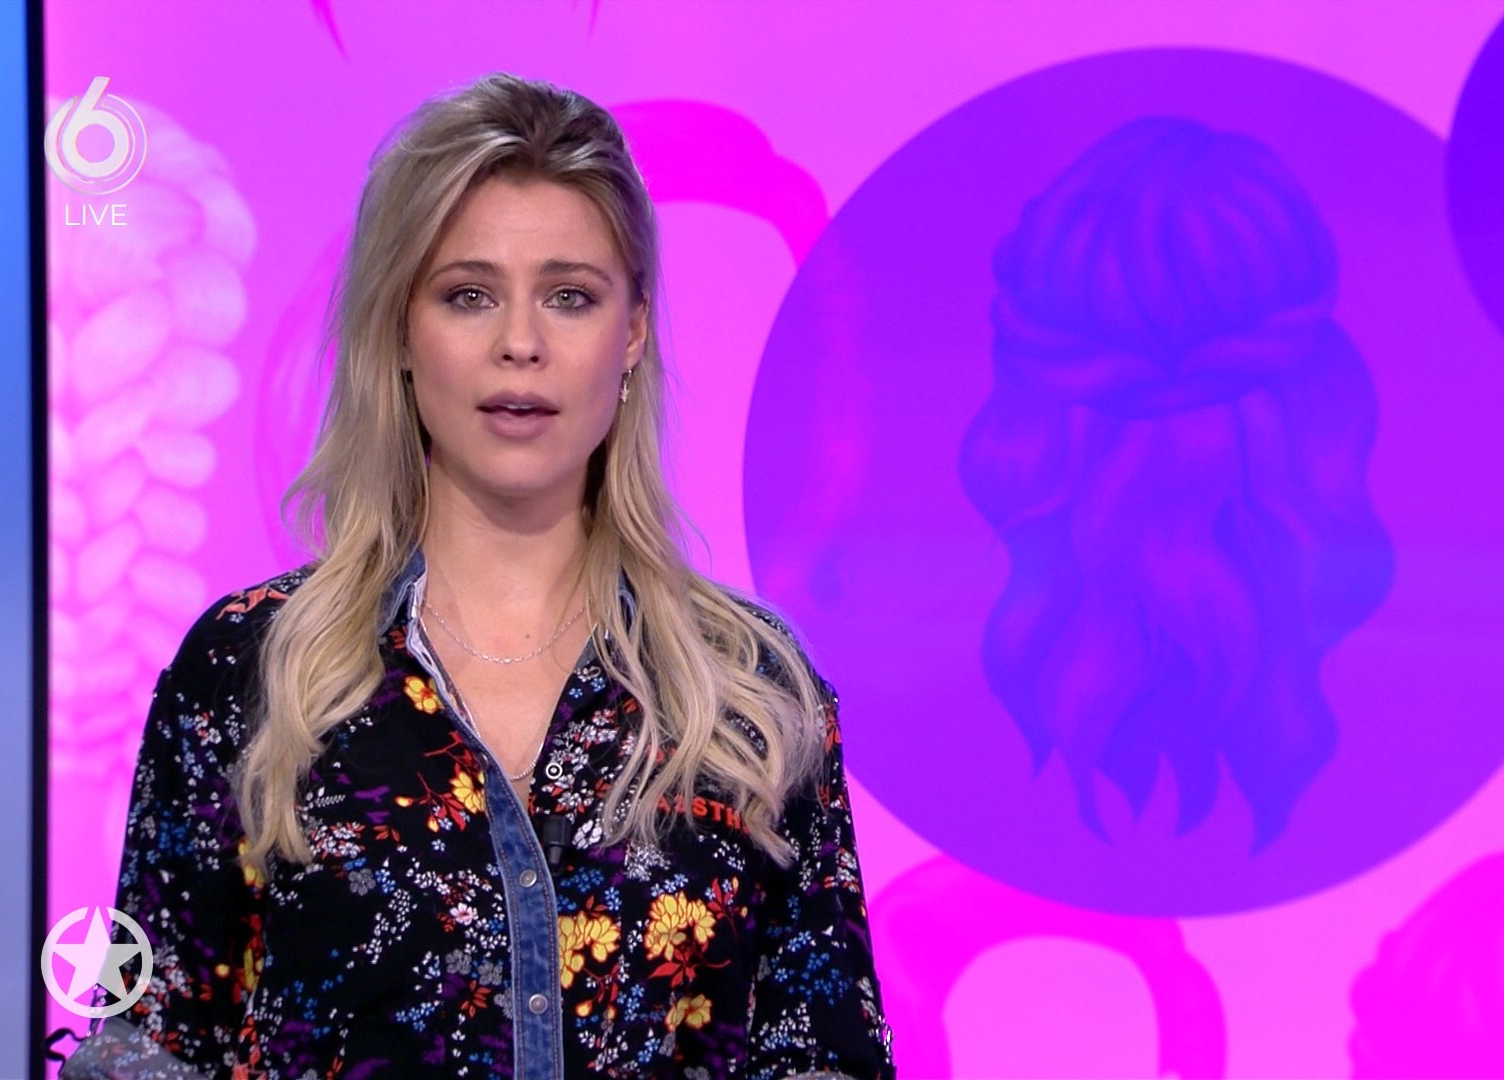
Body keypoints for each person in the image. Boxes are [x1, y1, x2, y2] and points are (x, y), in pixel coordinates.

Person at [62, 72, 894, 1080]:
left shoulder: (750, 692)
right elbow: (150, 1047)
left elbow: (826, 1058)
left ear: (632, 331)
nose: (520, 345)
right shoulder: (248, 671)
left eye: (570, 297)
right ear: (401, 332)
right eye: (468, 295)